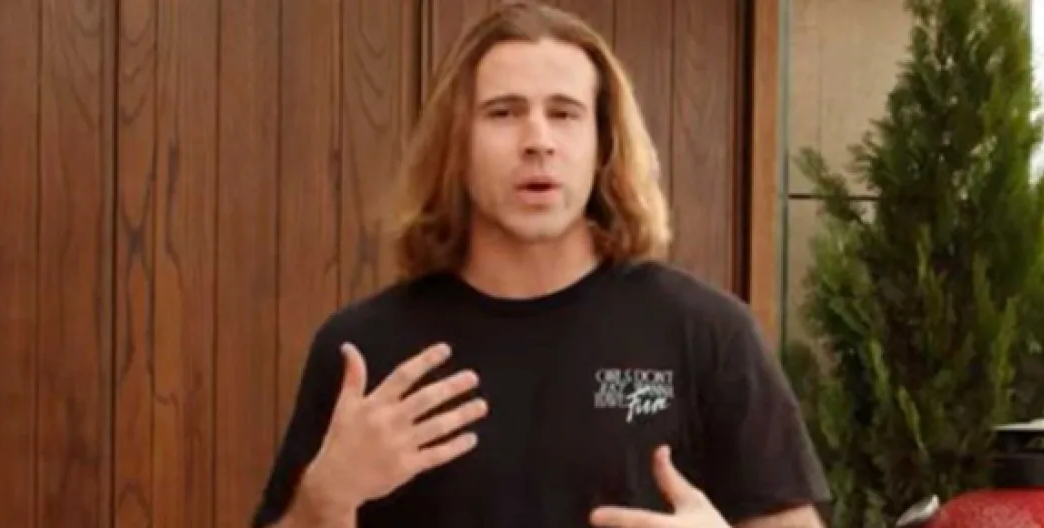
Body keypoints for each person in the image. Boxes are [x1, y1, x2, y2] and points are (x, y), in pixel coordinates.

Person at [251, 3, 830, 527]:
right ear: (457, 144)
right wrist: (323, 501)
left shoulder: (708, 335)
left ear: (603, 144)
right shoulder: (365, 351)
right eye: (504, 113)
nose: (538, 141)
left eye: (565, 113)